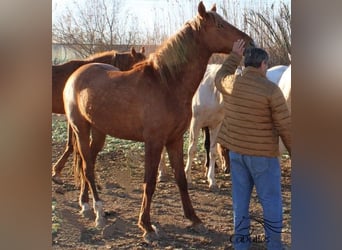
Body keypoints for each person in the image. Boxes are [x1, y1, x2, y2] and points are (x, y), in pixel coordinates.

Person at [215, 40, 291, 250]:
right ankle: (274, 246)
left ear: (246, 63)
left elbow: (219, 77)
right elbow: (286, 127)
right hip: (263, 157)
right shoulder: (271, 91)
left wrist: (233, 55)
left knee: (240, 204)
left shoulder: (231, 83)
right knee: (271, 203)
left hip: (237, 154)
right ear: (263, 65)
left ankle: (241, 245)